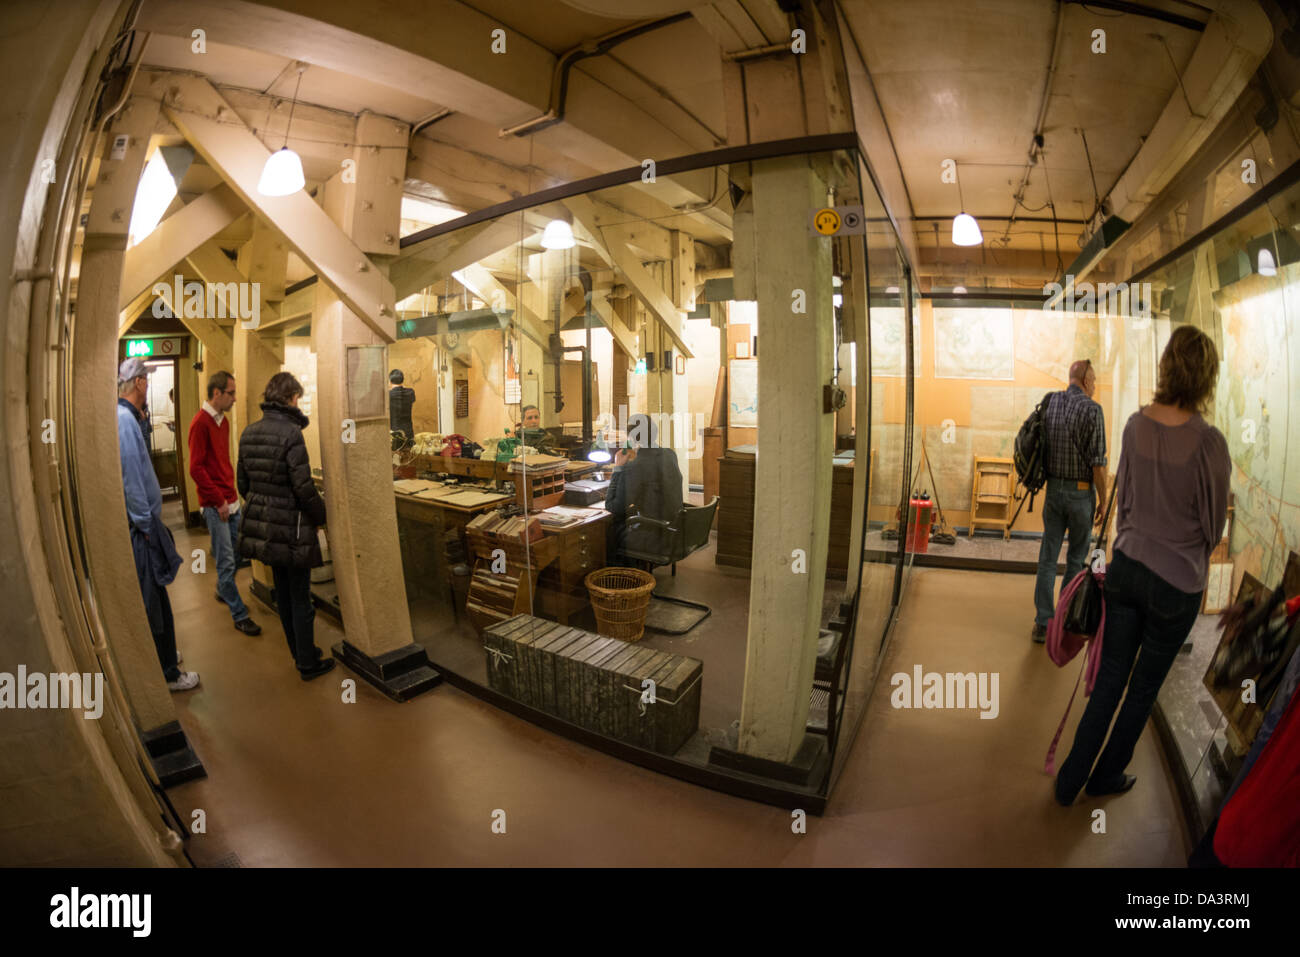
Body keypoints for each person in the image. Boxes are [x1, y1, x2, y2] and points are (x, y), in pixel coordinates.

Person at [1054, 325, 1231, 805]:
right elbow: (1214, 530)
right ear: (1207, 376)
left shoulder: (1135, 425)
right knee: (1142, 690)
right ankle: (1106, 776)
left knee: (1110, 679)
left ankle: (1068, 781)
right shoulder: (1208, 443)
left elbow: (1124, 501)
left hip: (1128, 570)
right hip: (1177, 587)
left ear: (1166, 366)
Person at [236, 372, 335, 681]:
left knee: (284, 594)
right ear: (291, 398)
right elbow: (303, 487)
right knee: (301, 598)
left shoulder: (249, 432)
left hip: (266, 530)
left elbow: (243, 483)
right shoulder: (292, 434)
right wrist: (321, 516)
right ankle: (307, 663)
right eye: (297, 398)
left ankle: (300, 653)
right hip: (292, 528)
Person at [117, 357, 198, 691]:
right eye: (146, 380)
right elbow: (131, 478)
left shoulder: (130, 418)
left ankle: (165, 656)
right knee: (155, 598)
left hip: (144, 523)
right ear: (138, 384)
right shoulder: (124, 421)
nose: (148, 385)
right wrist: (146, 524)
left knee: (158, 593)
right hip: (142, 527)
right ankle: (168, 672)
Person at [1032, 358, 1108, 642]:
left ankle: (1042, 622)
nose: (1096, 385)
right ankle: (1064, 619)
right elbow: (1098, 464)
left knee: (1047, 558)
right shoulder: (1093, 410)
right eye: (1095, 380)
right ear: (1087, 380)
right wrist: (1103, 501)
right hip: (1080, 494)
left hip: (1053, 492)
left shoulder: (1051, 402)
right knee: (1076, 559)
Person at [188, 370, 261, 636]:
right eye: (230, 393)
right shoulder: (200, 423)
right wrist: (218, 501)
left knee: (239, 551)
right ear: (216, 393)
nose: (234, 398)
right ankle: (239, 614)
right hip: (214, 505)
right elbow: (196, 468)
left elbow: (221, 462)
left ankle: (223, 589)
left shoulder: (223, 421)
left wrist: (231, 496)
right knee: (227, 561)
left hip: (229, 500)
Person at [604, 413, 683, 566]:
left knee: (610, 529)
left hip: (657, 536)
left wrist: (618, 468)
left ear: (631, 438)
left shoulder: (636, 466)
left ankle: (625, 582)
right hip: (676, 532)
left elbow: (613, 506)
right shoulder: (669, 454)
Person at [388, 369, 415, 442]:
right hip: (408, 432)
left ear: (390, 381)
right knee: (409, 452)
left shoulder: (388, 395)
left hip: (394, 433)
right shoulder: (410, 392)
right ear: (402, 380)